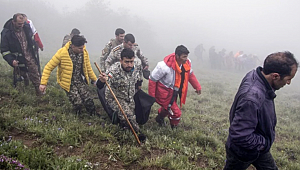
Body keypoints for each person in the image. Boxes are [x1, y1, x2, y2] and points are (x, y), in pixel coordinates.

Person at [223, 51, 298, 170]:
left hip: (258, 147)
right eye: (288, 79)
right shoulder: (252, 98)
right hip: (242, 152)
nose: (288, 83)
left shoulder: (256, 75)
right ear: (275, 76)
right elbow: (240, 135)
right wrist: (265, 144)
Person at [39, 35, 98, 115]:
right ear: (73, 46)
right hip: (68, 82)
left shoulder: (84, 53)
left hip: (79, 80)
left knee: (88, 99)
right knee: (77, 101)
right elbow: (48, 67)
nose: (82, 50)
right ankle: (78, 117)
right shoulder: (62, 53)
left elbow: (88, 68)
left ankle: (93, 114)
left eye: (83, 47)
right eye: (80, 48)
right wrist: (43, 83)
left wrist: (95, 80)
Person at [148, 45, 202, 129]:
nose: (186, 59)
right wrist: (151, 97)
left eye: (186, 56)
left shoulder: (186, 64)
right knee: (176, 112)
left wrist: (197, 87)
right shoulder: (163, 66)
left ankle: (159, 118)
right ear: (177, 56)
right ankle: (174, 127)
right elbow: (152, 80)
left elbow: (190, 75)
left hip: (174, 92)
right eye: (184, 57)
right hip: (163, 93)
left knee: (168, 108)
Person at [97, 48, 143, 135]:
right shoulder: (114, 70)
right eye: (126, 62)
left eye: (131, 61)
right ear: (121, 60)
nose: (129, 64)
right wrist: (102, 80)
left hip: (129, 97)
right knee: (128, 117)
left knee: (132, 115)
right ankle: (138, 134)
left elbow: (139, 75)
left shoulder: (137, 64)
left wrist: (139, 84)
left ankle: (120, 121)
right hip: (115, 98)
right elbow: (100, 84)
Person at [1, 13, 42, 95]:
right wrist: (11, 60)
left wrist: (36, 47)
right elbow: (4, 50)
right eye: (19, 24)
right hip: (18, 60)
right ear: (13, 22)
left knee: (35, 74)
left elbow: (32, 39)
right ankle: (23, 89)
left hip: (30, 56)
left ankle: (39, 93)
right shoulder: (6, 33)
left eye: (23, 23)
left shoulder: (27, 27)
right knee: (22, 76)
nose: (21, 25)